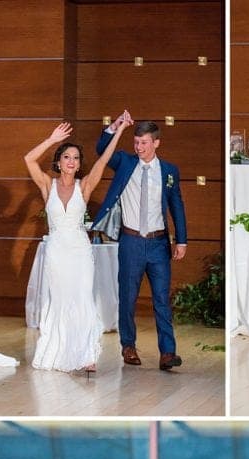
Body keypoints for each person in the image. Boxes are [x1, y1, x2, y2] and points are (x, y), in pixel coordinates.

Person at [23, 117, 130, 375]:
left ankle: (87, 355)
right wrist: (52, 139)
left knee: (82, 299)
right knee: (60, 301)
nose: (72, 162)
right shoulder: (47, 185)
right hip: (57, 252)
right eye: (67, 157)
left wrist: (121, 130)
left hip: (81, 252)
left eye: (76, 158)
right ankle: (58, 351)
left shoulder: (85, 186)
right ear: (59, 162)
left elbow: (104, 160)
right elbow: (28, 159)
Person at [92, 112, 187, 370]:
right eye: (136, 142)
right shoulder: (124, 162)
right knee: (128, 296)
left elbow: (176, 204)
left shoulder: (169, 171)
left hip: (158, 244)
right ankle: (128, 345)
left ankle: (168, 353)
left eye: (144, 143)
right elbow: (101, 148)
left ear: (156, 143)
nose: (139, 147)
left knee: (161, 299)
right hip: (131, 241)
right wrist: (116, 126)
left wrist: (182, 240)